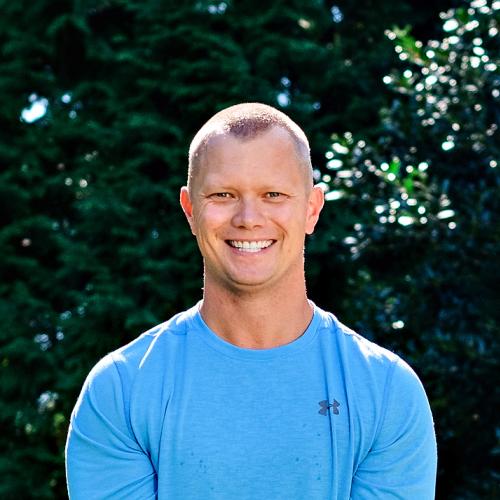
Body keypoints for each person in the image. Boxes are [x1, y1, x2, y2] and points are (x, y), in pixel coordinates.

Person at [65, 102, 437, 499]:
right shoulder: (121, 390)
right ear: (190, 210)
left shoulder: (386, 391)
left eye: (273, 194)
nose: (248, 218)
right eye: (223, 194)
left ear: (311, 209)